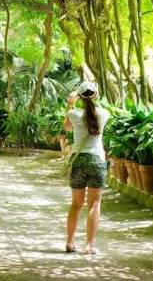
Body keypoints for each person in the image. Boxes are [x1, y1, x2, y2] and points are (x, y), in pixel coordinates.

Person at [62, 81, 110, 255]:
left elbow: (66, 127)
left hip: (79, 161)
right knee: (94, 205)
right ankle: (89, 245)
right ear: (96, 95)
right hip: (96, 161)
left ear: (80, 97)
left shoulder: (74, 114)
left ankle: (69, 242)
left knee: (76, 204)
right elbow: (94, 111)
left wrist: (70, 103)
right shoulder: (104, 114)